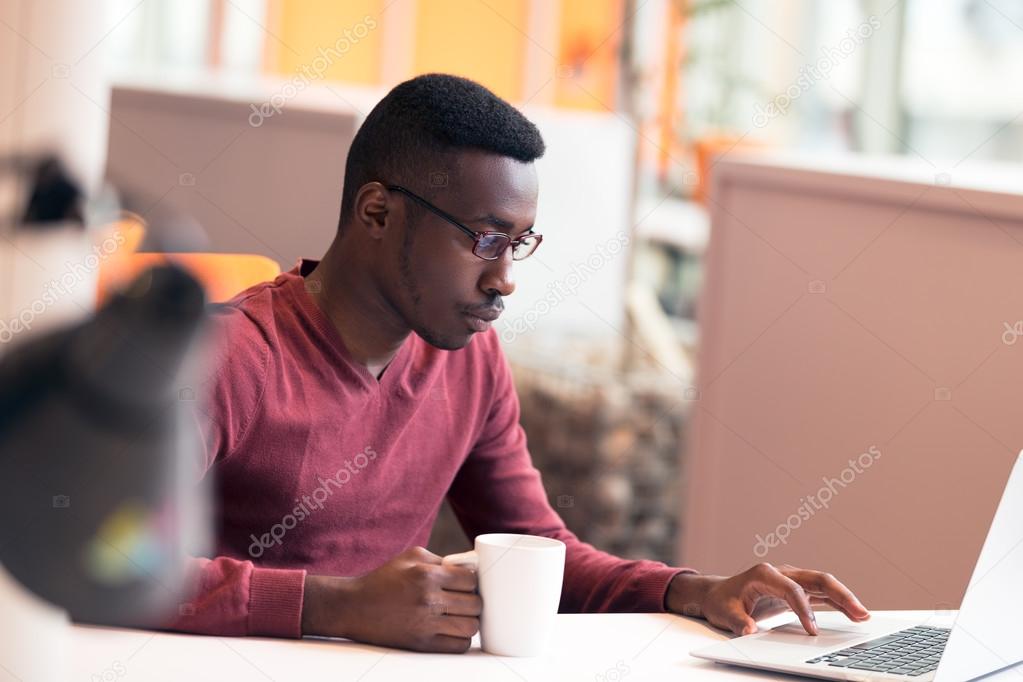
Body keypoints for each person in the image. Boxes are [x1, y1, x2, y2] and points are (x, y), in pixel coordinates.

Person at [171, 73, 870, 653]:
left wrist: (691, 589)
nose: (504, 278)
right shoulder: (223, 358)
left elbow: (538, 551)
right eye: (482, 239)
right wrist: (332, 606)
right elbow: (103, 562)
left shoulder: (469, 361)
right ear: (378, 212)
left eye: (518, 244)